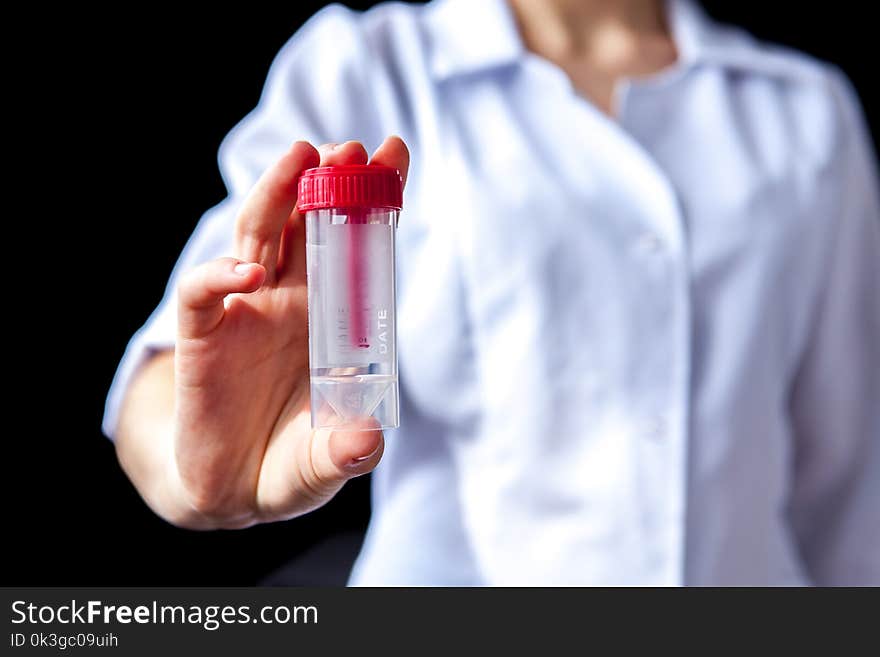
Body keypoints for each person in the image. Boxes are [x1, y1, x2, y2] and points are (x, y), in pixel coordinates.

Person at [104, 0, 880, 585]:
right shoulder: (372, 69)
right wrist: (196, 473)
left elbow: (845, 492)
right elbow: (173, 366)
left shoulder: (806, 114)